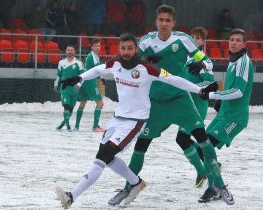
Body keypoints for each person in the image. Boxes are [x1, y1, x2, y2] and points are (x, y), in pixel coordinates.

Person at [55, 33, 210, 209]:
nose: (126, 52)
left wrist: (199, 90)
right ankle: (136, 183)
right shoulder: (115, 63)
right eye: (123, 48)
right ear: (118, 49)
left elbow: (174, 79)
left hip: (135, 121)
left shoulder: (148, 68)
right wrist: (81, 77)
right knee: (107, 156)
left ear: (136, 48)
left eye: (130, 48)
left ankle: (71, 197)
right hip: (117, 118)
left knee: (102, 157)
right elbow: (99, 69)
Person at [108, 5, 233, 206]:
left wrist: (201, 64)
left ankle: (219, 184)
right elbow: (133, 62)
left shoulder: (184, 40)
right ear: (156, 22)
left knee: (203, 139)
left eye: (168, 20)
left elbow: (207, 61)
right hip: (155, 104)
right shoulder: (147, 40)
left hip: (180, 101)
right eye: (161, 20)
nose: (164, 23)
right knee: (141, 146)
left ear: (173, 23)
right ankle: (127, 188)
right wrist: (145, 59)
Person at [198, 28, 253, 204]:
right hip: (224, 114)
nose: (234, 42)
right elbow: (231, 86)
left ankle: (213, 187)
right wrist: (221, 100)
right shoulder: (233, 60)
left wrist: (214, 95)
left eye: (238, 40)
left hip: (235, 118)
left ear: (245, 44)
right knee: (202, 148)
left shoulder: (244, 62)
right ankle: (215, 173)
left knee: (207, 147)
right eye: (232, 39)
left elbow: (238, 91)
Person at [175, 26, 215, 188]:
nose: (194, 39)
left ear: (202, 42)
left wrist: (195, 87)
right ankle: (209, 164)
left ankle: (203, 170)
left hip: (197, 106)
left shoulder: (203, 61)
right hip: (185, 106)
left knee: (182, 139)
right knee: (187, 139)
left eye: (198, 38)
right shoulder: (183, 58)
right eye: (192, 36)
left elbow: (210, 83)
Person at [74, 39, 104, 132]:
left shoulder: (93, 56)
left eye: (99, 46)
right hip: (91, 82)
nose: (98, 48)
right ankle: (95, 127)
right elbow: (97, 71)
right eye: (96, 46)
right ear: (91, 47)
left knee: (83, 102)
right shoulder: (93, 56)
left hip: (86, 81)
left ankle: (76, 127)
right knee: (100, 103)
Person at [54, 45, 83, 132]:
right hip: (65, 88)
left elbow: (82, 77)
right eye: (68, 50)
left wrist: (79, 85)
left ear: (74, 52)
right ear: (66, 51)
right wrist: (56, 84)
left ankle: (62, 124)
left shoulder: (79, 63)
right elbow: (58, 75)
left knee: (70, 109)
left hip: (74, 89)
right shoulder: (61, 62)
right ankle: (68, 127)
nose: (70, 51)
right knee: (66, 107)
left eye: (71, 50)